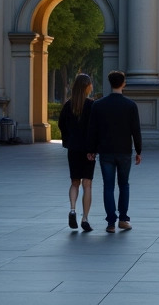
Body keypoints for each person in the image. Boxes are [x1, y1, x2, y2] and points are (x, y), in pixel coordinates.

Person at [87, 70, 142, 233]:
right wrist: (138, 150)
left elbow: (93, 130)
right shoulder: (130, 105)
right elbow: (135, 131)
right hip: (124, 151)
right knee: (124, 185)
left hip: (105, 151)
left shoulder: (98, 105)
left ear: (110, 83)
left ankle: (111, 222)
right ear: (123, 83)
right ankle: (123, 219)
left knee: (108, 186)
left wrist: (91, 149)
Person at [58, 73, 96, 231]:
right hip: (88, 151)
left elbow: (61, 125)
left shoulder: (68, 105)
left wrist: (68, 141)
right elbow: (95, 129)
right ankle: (85, 218)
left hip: (73, 149)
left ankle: (72, 209)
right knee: (87, 184)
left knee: (75, 182)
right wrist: (93, 149)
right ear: (87, 86)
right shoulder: (92, 105)